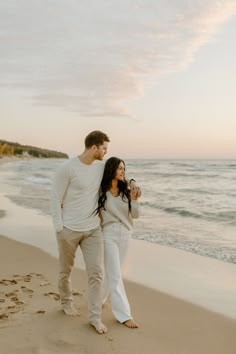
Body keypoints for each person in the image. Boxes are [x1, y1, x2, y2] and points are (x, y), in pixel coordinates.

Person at [50, 130, 110, 334]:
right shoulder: (67, 168)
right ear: (94, 147)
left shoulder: (101, 167)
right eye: (103, 148)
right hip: (69, 230)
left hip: (93, 230)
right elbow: (54, 198)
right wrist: (60, 229)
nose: (105, 152)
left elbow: (120, 173)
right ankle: (66, 302)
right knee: (65, 271)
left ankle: (94, 317)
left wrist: (134, 183)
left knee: (97, 273)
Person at [96, 157, 140, 329]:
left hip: (126, 234)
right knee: (115, 274)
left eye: (124, 168)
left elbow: (135, 215)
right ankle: (124, 315)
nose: (122, 171)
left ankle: (99, 300)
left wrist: (135, 199)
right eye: (119, 168)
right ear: (111, 169)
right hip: (108, 234)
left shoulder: (127, 191)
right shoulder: (100, 191)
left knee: (114, 272)